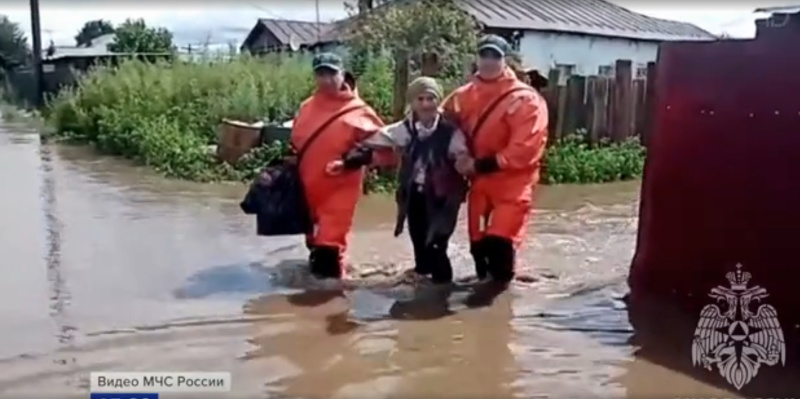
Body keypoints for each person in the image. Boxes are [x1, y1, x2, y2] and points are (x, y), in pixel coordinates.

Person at [442, 34, 549, 285]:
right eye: (484, 55)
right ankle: (482, 312)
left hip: (512, 184)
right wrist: (458, 154)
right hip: (479, 184)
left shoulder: (525, 99)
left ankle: (499, 311)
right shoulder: (462, 96)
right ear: (476, 58)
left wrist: (478, 164)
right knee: (479, 249)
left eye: (495, 56)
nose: (489, 61)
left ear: (505, 60)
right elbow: (441, 122)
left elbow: (525, 149)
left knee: (500, 243)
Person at [362, 77, 469, 285]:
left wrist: (465, 164)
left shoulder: (451, 133)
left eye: (431, 98)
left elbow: (464, 158)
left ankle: (442, 294)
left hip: (443, 199)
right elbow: (372, 139)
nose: (426, 104)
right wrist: (354, 149)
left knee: (437, 245)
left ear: (438, 101)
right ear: (412, 102)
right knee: (420, 246)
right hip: (414, 196)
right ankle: (422, 291)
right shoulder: (403, 130)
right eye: (420, 99)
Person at [291, 53, 385, 280]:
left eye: (331, 73)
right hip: (308, 187)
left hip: (340, 190)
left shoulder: (359, 111)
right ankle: (330, 289)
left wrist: (349, 162)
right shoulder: (306, 107)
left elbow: (388, 151)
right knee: (314, 245)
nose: (326, 79)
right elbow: (296, 143)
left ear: (343, 74)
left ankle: (329, 305)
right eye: (321, 73)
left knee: (328, 248)